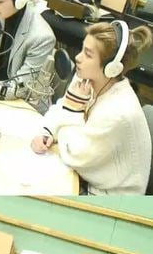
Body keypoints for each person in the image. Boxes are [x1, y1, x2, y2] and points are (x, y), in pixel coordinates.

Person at [31, 20, 152, 195]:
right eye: (82, 50)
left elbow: (75, 153)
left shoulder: (119, 113)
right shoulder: (87, 79)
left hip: (105, 196)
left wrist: (73, 110)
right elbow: (62, 107)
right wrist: (47, 131)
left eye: (88, 54)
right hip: (84, 174)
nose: (78, 58)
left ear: (111, 68)